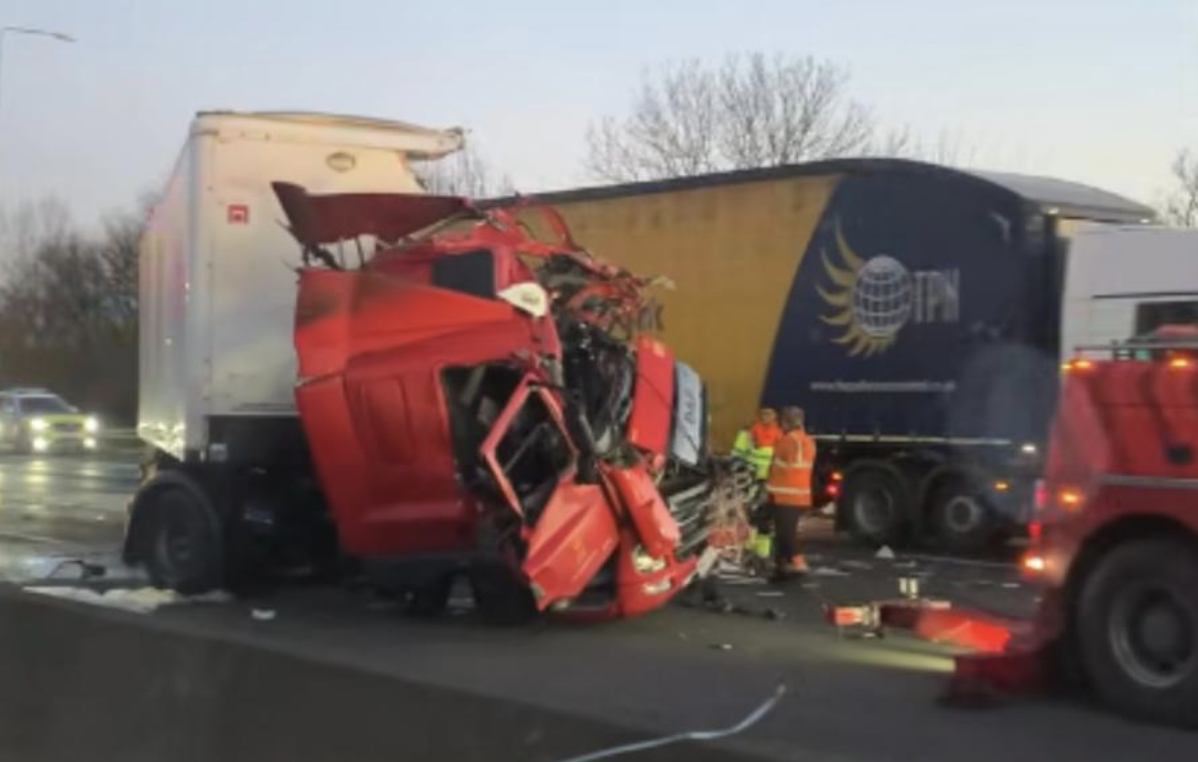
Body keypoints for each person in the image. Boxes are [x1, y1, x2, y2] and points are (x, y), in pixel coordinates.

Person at [765, 406, 816, 581]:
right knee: (783, 532)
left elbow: (776, 468)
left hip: (784, 496)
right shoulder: (808, 441)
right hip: (800, 496)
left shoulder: (786, 441)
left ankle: (798, 563)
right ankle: (781, 568)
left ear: (786, 422)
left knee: (786, 533)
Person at [731, 408, 783, 480]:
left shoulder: (778, 431)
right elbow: (750, 441)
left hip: (766, 469)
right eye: (763, 414)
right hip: (750, 464)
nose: (765, 416)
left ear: (775, 416)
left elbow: (780, 449)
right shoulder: (756, 427)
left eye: (768, 414)